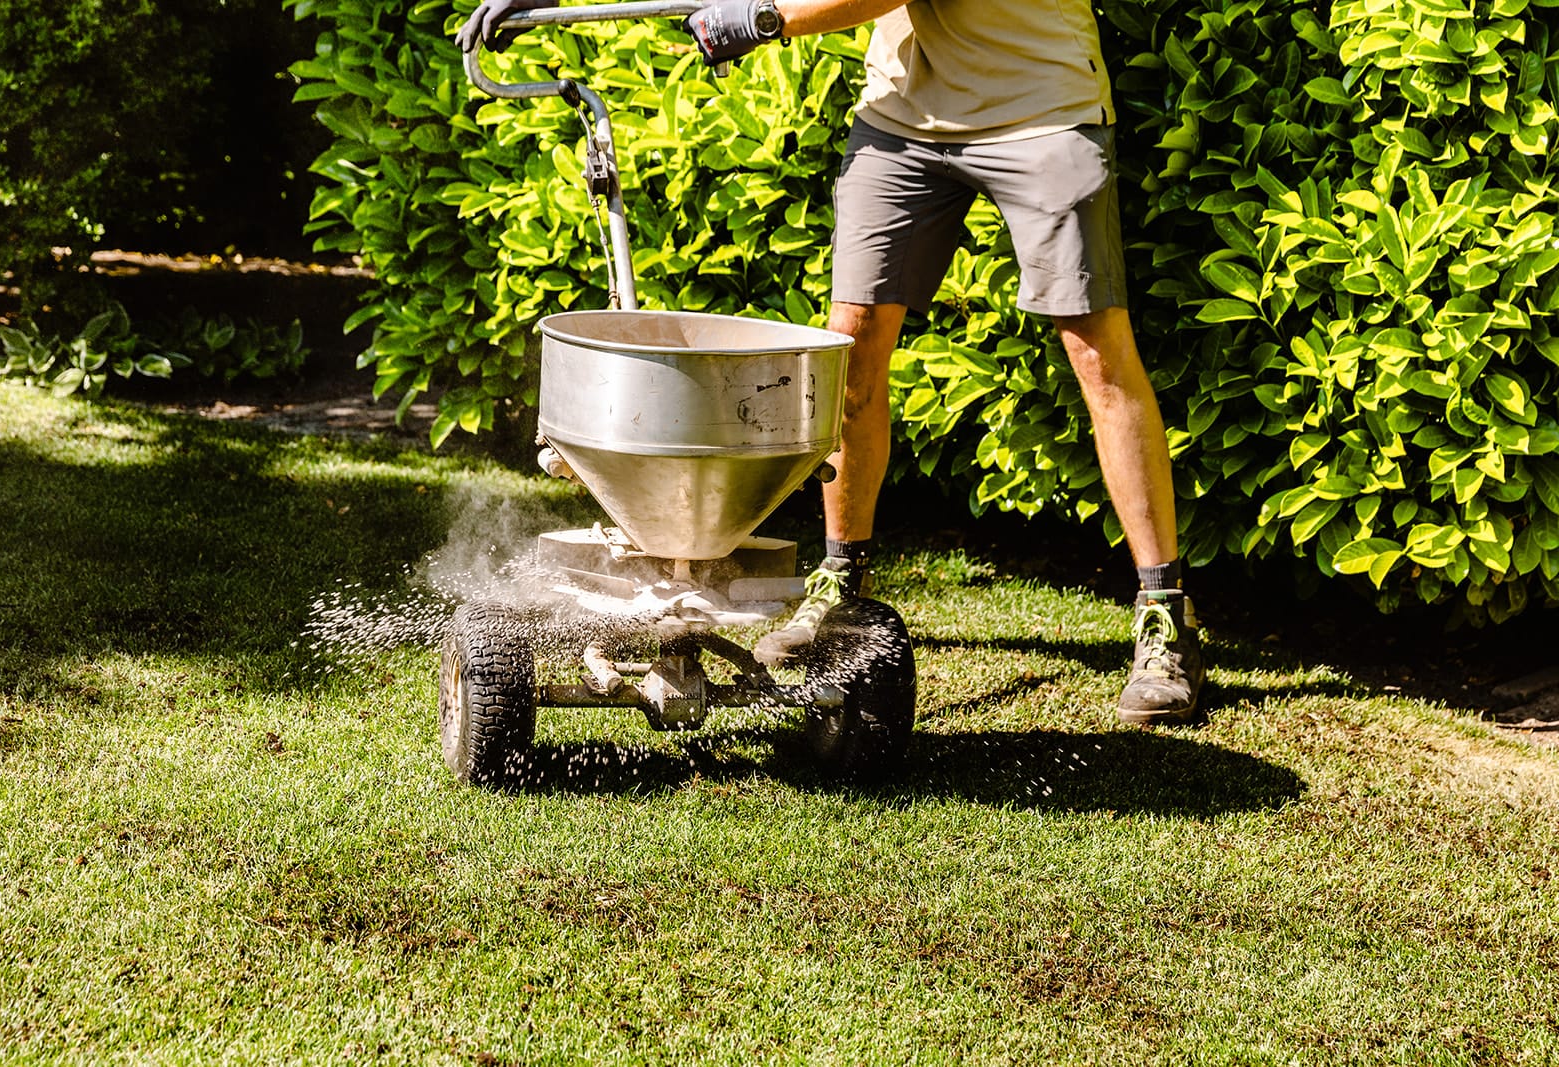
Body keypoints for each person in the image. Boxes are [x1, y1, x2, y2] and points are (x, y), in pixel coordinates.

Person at [457, 0, 1206, 725]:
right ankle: (842, 577)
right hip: (904, 118)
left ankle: (1164, 612)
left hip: (1041, 107)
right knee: (850, 347)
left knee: (1098, 357)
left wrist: (766, 18)